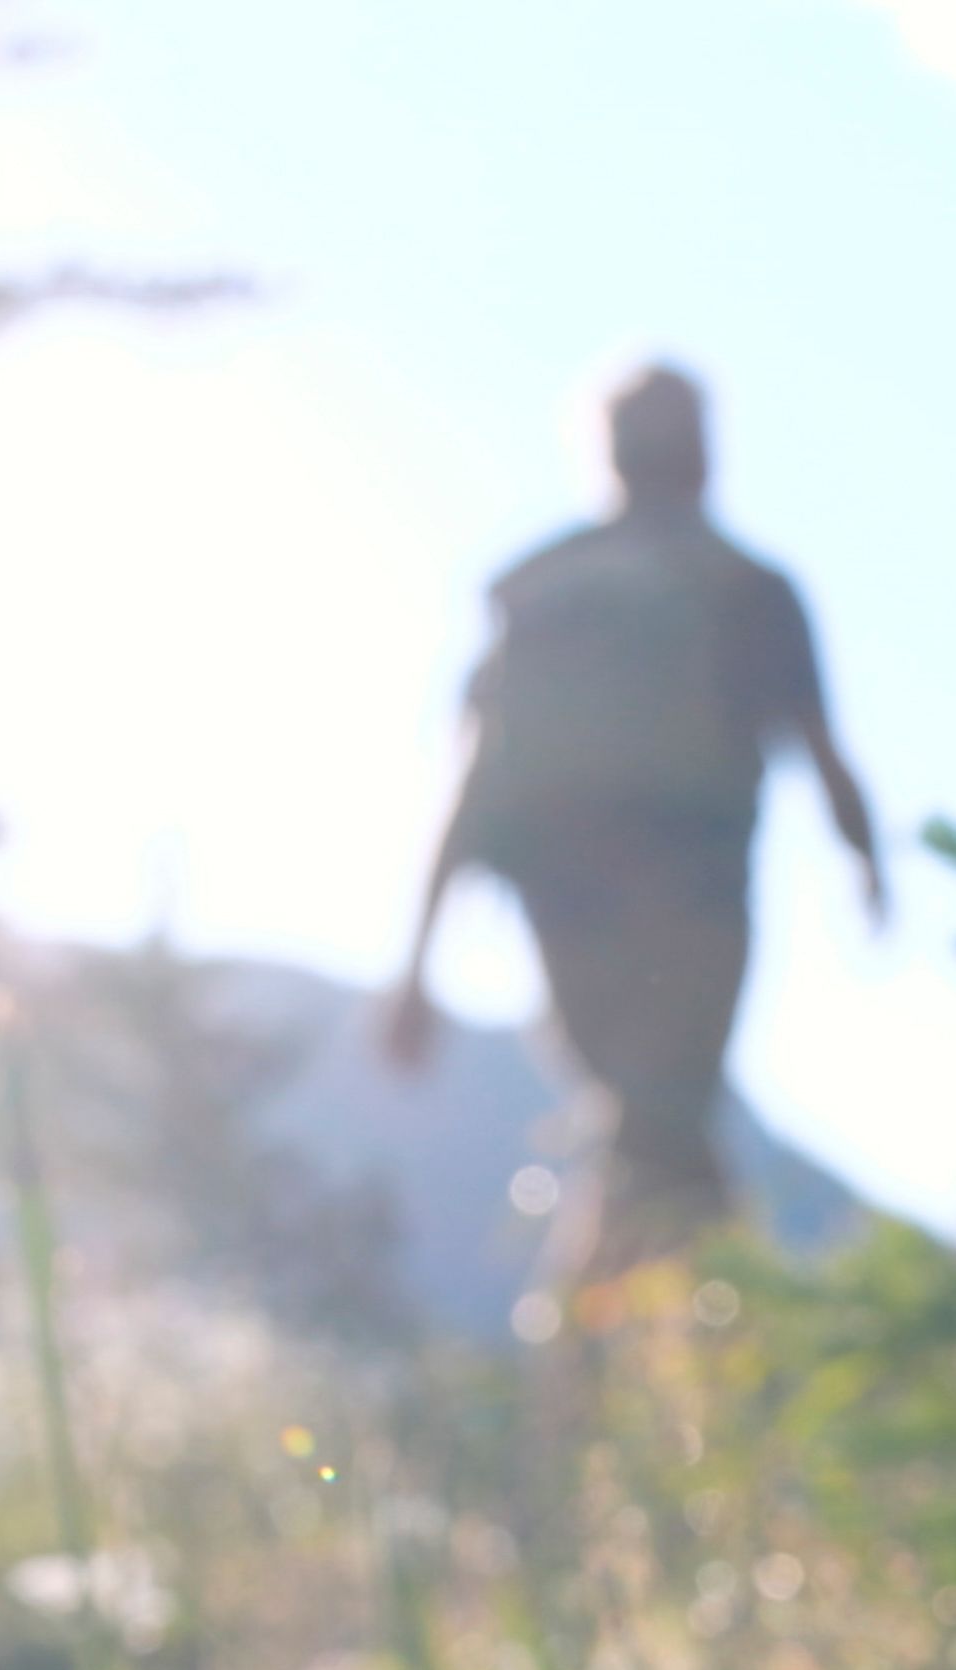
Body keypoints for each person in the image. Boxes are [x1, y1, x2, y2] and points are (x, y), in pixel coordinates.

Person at [379, 363, 882, 1293]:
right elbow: (821, 748)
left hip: (562, 908)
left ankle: (663, 1375)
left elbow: (476, 777)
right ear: (703, 452)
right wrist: (866, 862)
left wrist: (417, 966)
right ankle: (648, 1371)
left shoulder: (539, 588)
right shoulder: (746, 586)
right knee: (660, 1131)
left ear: (606, 452)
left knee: (648, 1127)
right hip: (692, 899)